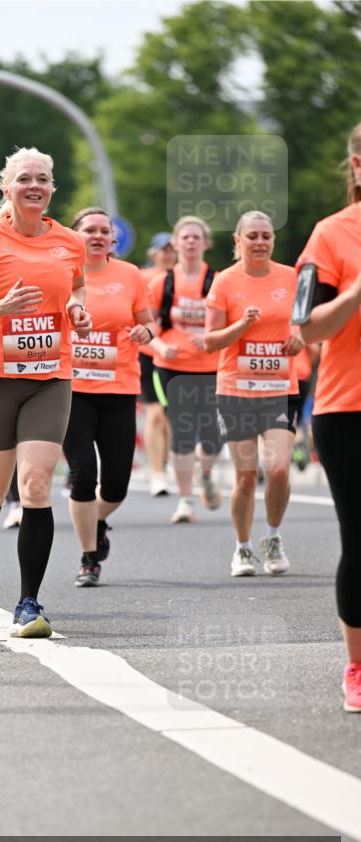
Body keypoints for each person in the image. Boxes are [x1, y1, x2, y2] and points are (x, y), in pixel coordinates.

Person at [0, 146, 91, 637]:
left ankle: (29, 603)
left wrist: (76, 308)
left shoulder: (69, 242)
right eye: (25, 178)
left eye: (44, 179)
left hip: (51, 374)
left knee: (34, 483)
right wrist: (2, 308)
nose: (35, 185)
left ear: (53, 188)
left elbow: (75, 287)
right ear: (7, 188)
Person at [296, 122, 361, 712]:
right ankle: (358, 667)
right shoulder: (331, 235)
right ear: (358, 166)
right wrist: (358, 291)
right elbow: (308, 328)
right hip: (349, 407)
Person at [204, 210, 302, 577]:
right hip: (237, 389)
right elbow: (210, 340)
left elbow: (306, 324)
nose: (260, 242)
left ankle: (272, 537)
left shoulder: (290, 277)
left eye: (266, 236)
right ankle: (242, 548)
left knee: (277, 469)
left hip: (280, 388)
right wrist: (241, 325)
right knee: (246, 476)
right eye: (253, 236)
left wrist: (300, 339)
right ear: (238, 241)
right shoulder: (225, 282)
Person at [63, 207, 155, 586]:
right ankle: (88, 556)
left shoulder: (130, 275)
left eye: (105, 231)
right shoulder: (63, 274)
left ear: (113, 240)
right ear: (76, 235)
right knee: (83, 473)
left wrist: (145, 333)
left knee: (116, 485)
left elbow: (148, 321)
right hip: (73, 389)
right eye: (90, 230)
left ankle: (97, 520)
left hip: (119, 388)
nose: (98, 236)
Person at [148, 217, 222, 523]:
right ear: (176, 243)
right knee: (182, 432)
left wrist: (212, 338)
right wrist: (161, 346)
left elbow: (230, 322)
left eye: (196, 237)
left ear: (205, 243)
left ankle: (204, 474)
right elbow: (146, 323)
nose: (190, 242)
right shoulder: (161, 283)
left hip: (212, 366)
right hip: (171, 367)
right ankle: (185, 500)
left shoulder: (218, 281)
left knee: (212, 436)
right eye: (185, 237)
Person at [140, 232, 175, 496]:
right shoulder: (144, 278)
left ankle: (165, 463)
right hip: (150, 354)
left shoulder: (191, 280)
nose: (168, 255)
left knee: (173, 418)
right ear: (154, 254)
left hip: (179, 358)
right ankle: (157, 473)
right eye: (163, 250)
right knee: (156, 414)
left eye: (172, 250)